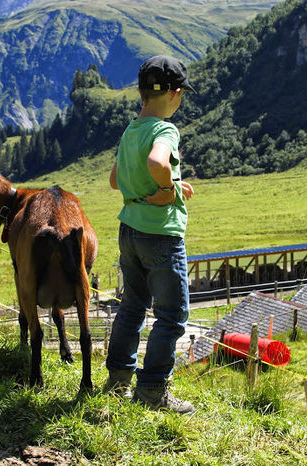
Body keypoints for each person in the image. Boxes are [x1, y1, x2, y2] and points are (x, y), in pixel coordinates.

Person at [105, 55, 195, 414]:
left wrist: (166, 184)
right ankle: (153, 390)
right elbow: (158, 163)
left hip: (129, 230)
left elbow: (115, 180)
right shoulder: (164, 130)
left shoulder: (131, 129)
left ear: (142, 93)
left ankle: (117, 381)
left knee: (132, 306)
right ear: (175, 94)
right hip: (160, 235)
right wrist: (169, 191)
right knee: (172, 315)